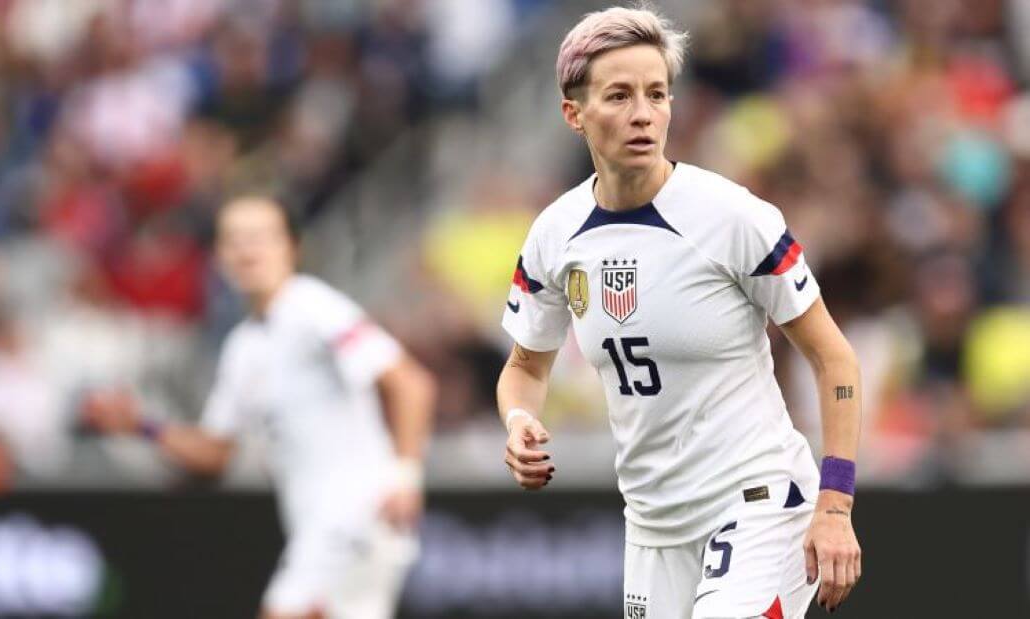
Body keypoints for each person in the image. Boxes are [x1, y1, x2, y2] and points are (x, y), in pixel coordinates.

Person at [497, 6, 861, 619]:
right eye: (619, 95)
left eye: (657, 94)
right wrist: (518, 420)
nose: (643, 113)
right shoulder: (554, 235)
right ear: (574, 114)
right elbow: (525, 366)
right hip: (653, 527)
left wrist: (835, 505)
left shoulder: (732, 217)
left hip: (757, 503)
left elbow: (834, 358)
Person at [85, 195, 436, 619]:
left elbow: (410, 384)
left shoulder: (314, 306)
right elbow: (216, 454)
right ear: (218, 256)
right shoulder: (242, 347)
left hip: (357, 510)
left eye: (260, 237)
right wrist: (143, 426)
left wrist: (405, 478)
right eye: (234, 239)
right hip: (321, 523)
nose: (247, 250)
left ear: (292, 246)